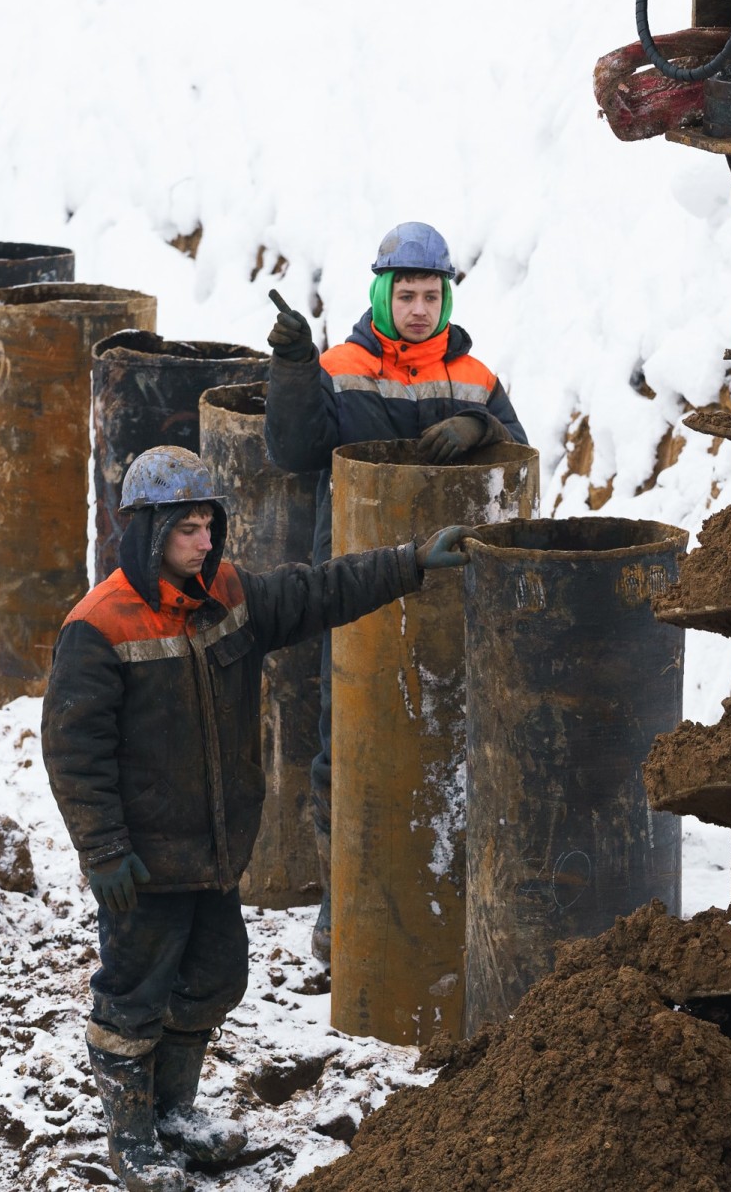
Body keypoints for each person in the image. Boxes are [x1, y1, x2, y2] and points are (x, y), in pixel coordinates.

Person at [42, 444, 468, 1192]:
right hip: (144, 863)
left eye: (209, 526)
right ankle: (132, 1139)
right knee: (134, 996)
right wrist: (103, 849)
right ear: (148, 531)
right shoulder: (99, 626)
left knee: (213, 980)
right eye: (188, 530)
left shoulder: (227, 595)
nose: (205, 542)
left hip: (213, 851)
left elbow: (317, 591)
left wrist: (410, 563)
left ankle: (174, 1114)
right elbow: (74, 750)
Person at [263, 221, 527, 961]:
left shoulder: (474, 379)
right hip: (355, 582)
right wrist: (293, 366)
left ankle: (448, 901)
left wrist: (479, 424)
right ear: (382, 295)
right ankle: (342, 904)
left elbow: (515, 452)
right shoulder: (341, 367)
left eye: (430, 296)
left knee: (452, 743)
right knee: (348, 738)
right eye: (405, 294)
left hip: (453, 593)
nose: (418, 309)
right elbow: (293, 449)